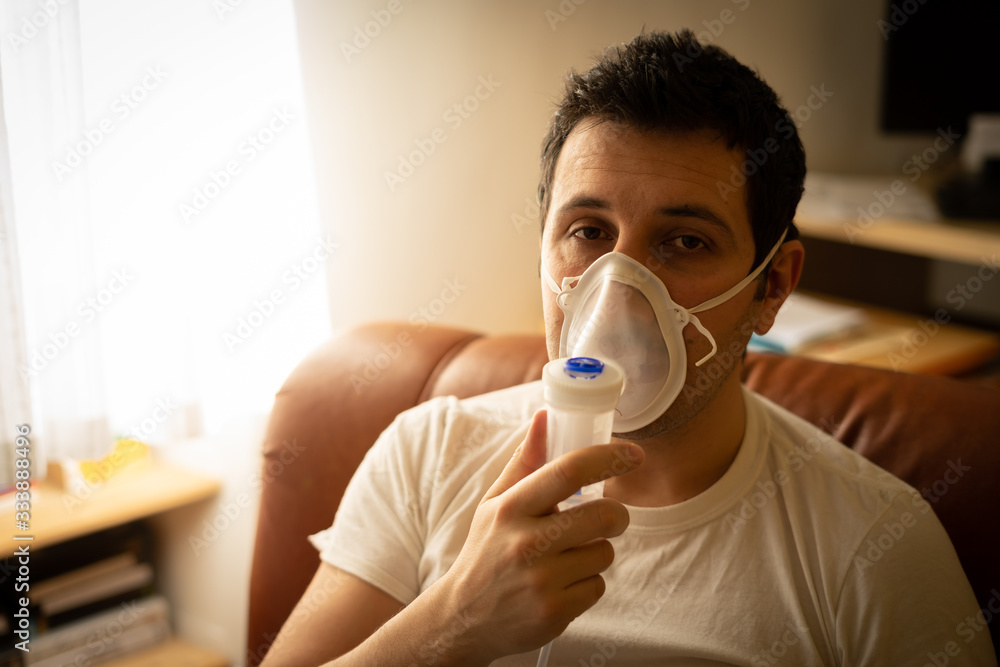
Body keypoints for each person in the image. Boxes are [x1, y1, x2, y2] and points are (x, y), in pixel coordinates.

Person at [261, 30, 996, 666]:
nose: (619, 285)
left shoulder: (874, 548)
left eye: (684, 241)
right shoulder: (428, 452)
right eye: (588, 231)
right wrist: (453, 623)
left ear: (773, 283)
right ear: (545, 243)